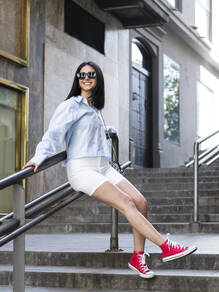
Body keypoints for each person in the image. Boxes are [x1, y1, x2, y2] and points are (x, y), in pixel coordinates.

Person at [22, 61, 197, 279]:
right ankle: (166, 246)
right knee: (126, 202)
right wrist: (38, 158)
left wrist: (107, 130)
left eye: (91, 74)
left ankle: (137, 258)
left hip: (102, 167)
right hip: (82, 169)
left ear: (98, 78)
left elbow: (87, 133)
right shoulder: (70, 105)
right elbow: (52, 136)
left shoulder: (94, 108)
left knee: (141, 201)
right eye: (82, 74)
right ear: (77, 79)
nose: (86, 77)